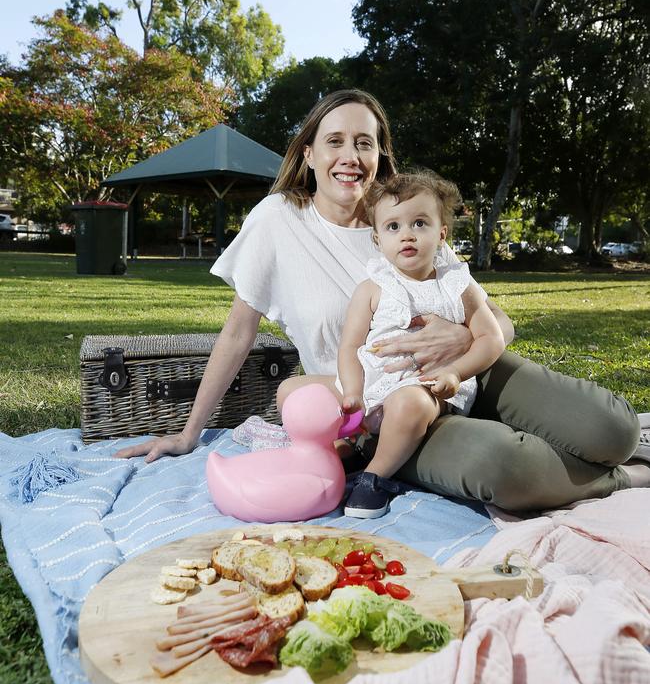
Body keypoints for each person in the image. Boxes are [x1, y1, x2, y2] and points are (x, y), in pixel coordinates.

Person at [115, 89, 646, 509]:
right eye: (336, 142)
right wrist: (189, 434)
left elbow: (491, 317)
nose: (350, 157)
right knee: (505, 465)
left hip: (468, 370)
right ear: (309, 154)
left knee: (613, 428)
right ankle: (617, 482)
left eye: (364, 143)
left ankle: (608, 458)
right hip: (384, 410)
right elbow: (238, 332)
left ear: (380, 154)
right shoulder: (277, 221)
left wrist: (466, 339)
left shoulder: (403, 215)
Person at [337, 170, 506, 518]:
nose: (407, 235)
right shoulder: (371, 288)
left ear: (441, 234)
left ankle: (375, 477)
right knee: (299, 396)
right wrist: (352, 393)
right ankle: (348, 450)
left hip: (428, 385)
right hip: (373, 382)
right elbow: (350, 347)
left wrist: (456, 373)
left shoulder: (457, 284)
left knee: (408, 405)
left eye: (419, 223)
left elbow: (492, 338)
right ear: (377, 238)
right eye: (393, 227)